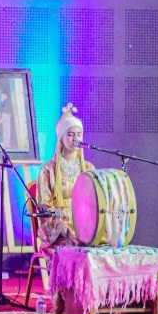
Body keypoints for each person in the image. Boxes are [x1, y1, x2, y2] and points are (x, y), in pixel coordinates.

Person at [35, 103, 95, 256]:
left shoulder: (88, 168)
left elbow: (95, 203)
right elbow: (44, 208)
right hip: (59, 231)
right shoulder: (48, 170)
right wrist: (63, 227)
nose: (76, 138)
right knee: (74, 250)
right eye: (70, 134)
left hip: (84, 227)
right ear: (61, 138)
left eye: (79, 134)